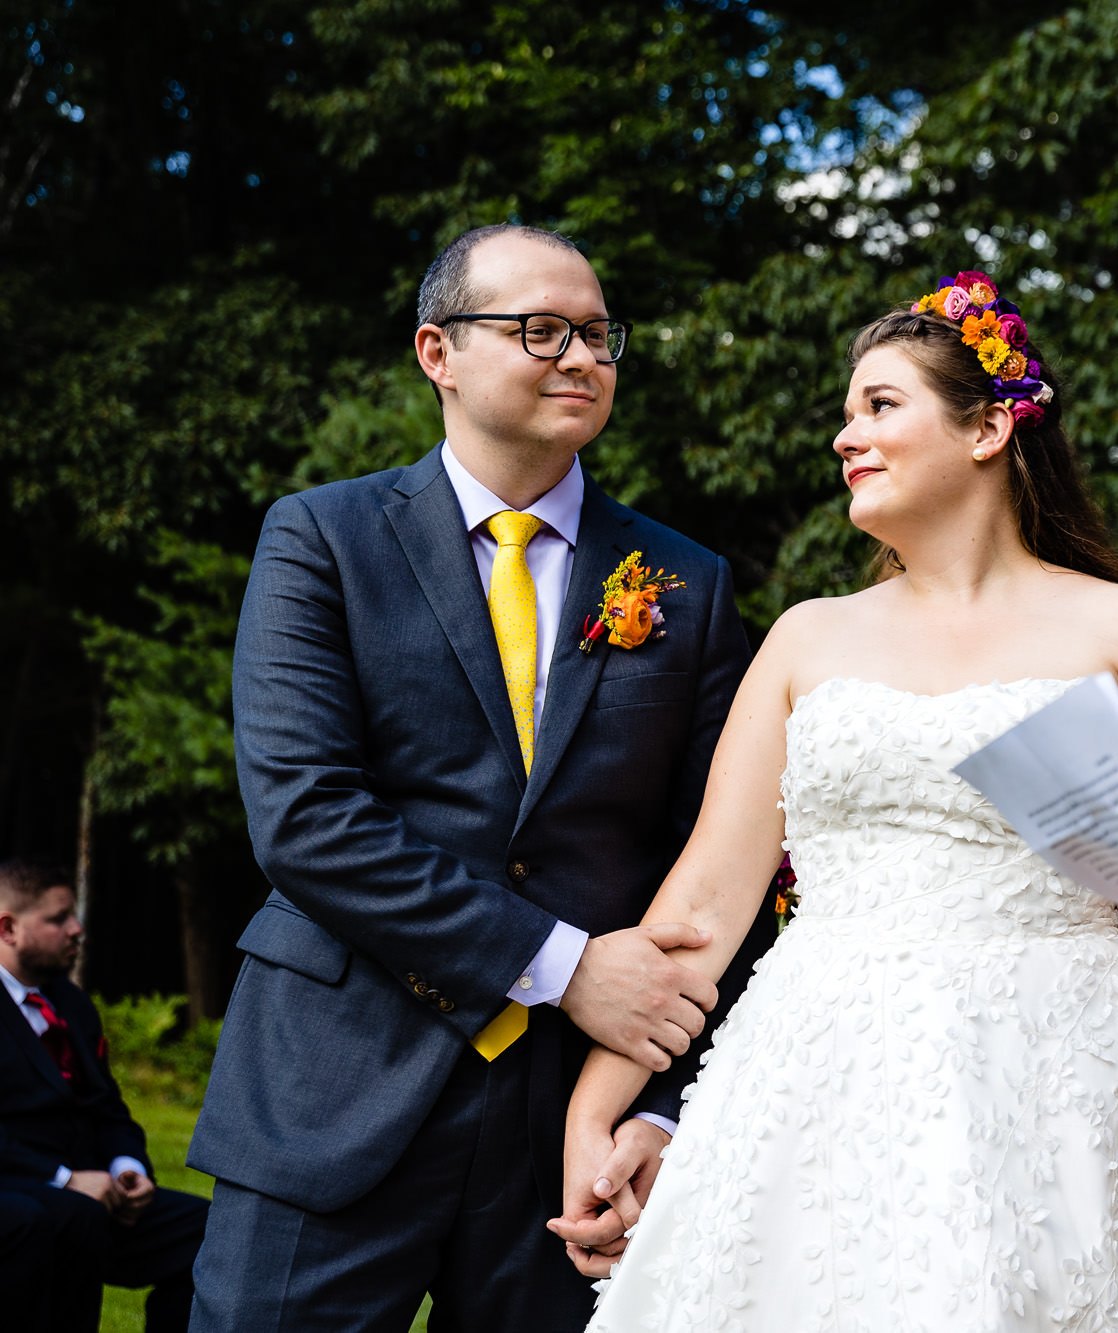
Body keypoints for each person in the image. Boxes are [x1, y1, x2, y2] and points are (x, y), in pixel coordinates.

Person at [549, 271, 1118, 1330]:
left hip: (1063, 1088)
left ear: (990, 428)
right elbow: (702, 906)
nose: (844, 436)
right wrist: (596, 1114)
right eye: (844, 412)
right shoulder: (808, 639)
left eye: (878, 405)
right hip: (818, 1085)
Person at [189, 224, 775, 1332]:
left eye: (598, 334)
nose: (581, 357)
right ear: (436, 352)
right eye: (538, 329)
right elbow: (307, 820)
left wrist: (655, 1112)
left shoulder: (685, 582)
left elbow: (720, 864)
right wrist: (559, 966)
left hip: (568, 1130)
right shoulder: (320, 538)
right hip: (334, 1084)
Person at [0, 858, 208, 1332]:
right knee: (70, 1217)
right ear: (8, 928)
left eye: (72, 915)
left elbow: (107, 1107)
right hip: (21, 1188)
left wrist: (127, 1167)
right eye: (57, 919)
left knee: (207, 1231)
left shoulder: (69, 1004)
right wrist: (64, 1178)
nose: (76, 930)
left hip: (95, 1191)